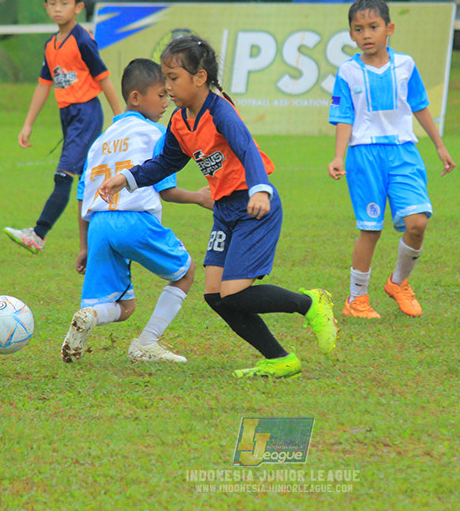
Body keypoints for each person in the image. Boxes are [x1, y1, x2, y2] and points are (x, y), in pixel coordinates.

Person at [97, 36, 337, 379]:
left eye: (173, 77)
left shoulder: (220, 111)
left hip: (254, 208)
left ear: (199, 77)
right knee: (216, 296)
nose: (167, 86)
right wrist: (127, 178)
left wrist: (260, 190)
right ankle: (279, 358)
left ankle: (310, 303)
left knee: (234, 294)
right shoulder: (180, 120)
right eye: (164, 78)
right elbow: (166, 162)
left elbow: (247, 149)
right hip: (225, 211)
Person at [60, 59, 212, 365]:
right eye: (161, 95)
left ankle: (88, 316)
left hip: (99, 225)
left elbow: (82, 196)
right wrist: (199, 198)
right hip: (134, 220)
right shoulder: (155, 133)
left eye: (169, 95)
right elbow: (165, 191)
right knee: (185, 273)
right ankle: (147, 343)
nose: (167, 102)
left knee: (123, 306)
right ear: (135, 97)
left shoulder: (99, 142)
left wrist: (83, 245)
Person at [327, 0, 455, 319]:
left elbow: (420, 106)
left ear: (389, 28)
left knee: (417, 223)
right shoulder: (347, 71)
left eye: (373, 26)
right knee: (370, 228)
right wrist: (338, 156)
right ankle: (357, 300)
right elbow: (344, 117)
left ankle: (399, 282)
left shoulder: (406, 65)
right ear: (352, 35)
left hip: (403, 151)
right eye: (359, 29)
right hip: (363, 155)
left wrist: (439, 146)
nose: (367, 34)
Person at [4, 0, 123, 254]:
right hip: (68, 116)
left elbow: (104, 79)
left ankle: (39, 234)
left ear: (78, 7)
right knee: (88, 180)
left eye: (65, 3)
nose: (58, 8)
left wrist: (120, 118)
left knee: (63, 176)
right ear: (46, 7)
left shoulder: (83, 40)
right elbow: (44, 85)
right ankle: (108, 232)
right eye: (53, 3)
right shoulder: (50, 45)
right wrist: (28, 124)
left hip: (86, 114)